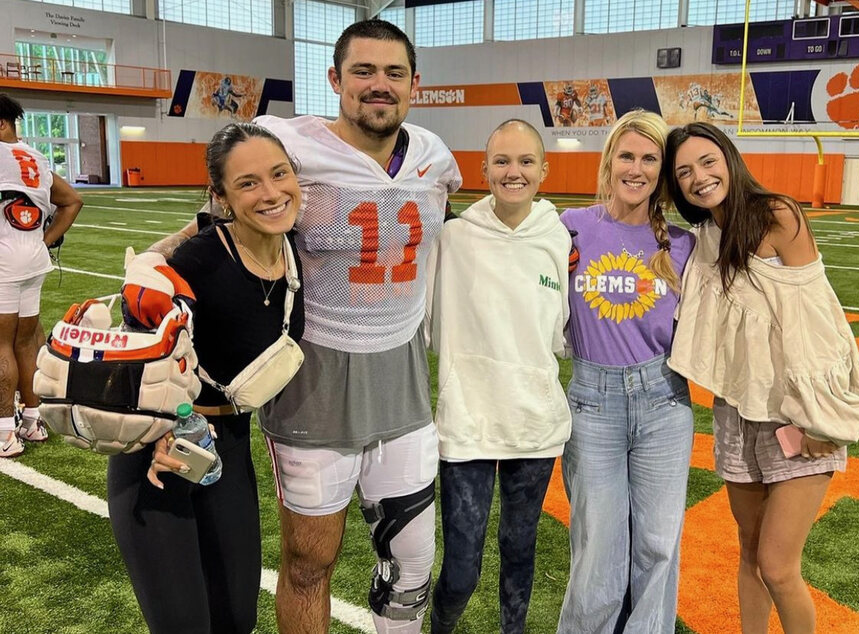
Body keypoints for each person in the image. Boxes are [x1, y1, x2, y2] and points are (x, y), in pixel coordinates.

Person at [142, 19, 461, 634]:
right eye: (363, 71)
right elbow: (213, 232)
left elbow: (457, 216)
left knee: (413, 564)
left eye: (394, 73)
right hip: (312, 383)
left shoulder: (434, 155)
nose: (379, 85)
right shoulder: (285, 144)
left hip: (404, 381)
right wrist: (150, 272)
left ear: (414, 84)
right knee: (310, 564)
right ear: (334, 78)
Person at [664, 122, 859, 634]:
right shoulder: (703, 238)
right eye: (685, 172)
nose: (700, 177)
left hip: (795, 413)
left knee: (780, 568)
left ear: (730, 160)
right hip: (737, 414)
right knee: (749, 554)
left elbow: (818, 323)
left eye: (708, 161)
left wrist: (819, 417)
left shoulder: (777, 215)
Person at [108, 122, 305, 633]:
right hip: (160, 457)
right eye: (247, 183)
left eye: (279, 173)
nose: (270, 193)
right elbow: (130, 356)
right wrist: (155, 433)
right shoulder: (197, 260)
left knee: (236, 621)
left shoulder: (300, 249)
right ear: (219, 195)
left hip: (229, 451)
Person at [426, 119, 571, 634]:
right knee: (461, 570)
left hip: (534, 427)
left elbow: (564, 332)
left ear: (544, 170)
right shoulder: (454, 238)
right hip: (467, 426)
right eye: (503, 162)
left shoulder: (558, 237)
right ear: (483, 169)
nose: (514, 172)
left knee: (519, 551)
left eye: (526, 161)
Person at [556, 109, 696, 634]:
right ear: (610, 161)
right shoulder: (569, 229)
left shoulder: (682, 246)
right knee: (599, 545)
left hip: (664, 401)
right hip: (592, 403)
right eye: (627, 155)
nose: (636, 168)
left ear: (662, 171)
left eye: (650, 159)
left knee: (659, 545)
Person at [0, 93, 82, 458]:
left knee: (1, 344)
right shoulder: (36, 156)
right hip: (32, 254)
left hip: (3, 254)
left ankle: (3, 432)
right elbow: (72, 200)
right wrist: (44, 241)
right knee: (25, 341)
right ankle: (32, 421)